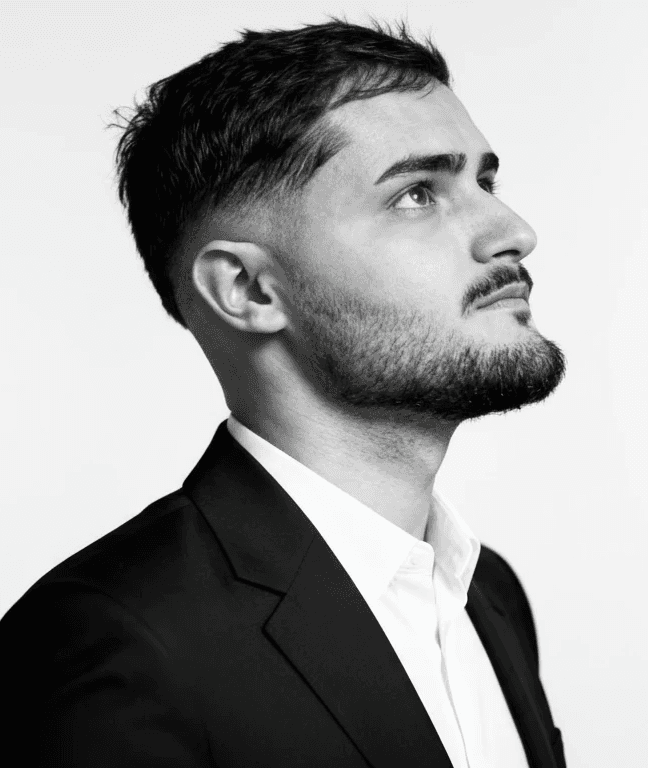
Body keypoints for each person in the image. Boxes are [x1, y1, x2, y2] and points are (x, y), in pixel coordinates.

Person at [0, 19, 568, 768]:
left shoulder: (489, 596)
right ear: (247, 289)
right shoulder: (116, 645)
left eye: (484, 183)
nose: (513, 231)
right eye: (416, 194)